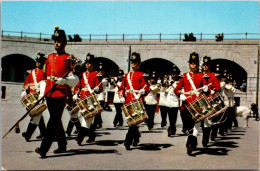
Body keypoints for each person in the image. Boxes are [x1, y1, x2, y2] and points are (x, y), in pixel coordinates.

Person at [35, 26, 80, 158]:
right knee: (56, 120)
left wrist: (65, 81)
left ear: (65, 42)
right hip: (49, 93)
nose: (56, 43)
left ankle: (44, 148)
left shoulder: (70, 58)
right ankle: (62, 145)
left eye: (59, 40)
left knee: (53, 121)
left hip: (61, 93)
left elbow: (77, 78)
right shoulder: (49, 57)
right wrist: (43, 91)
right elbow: (44, 76)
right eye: (55, 40)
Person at [174, 51, 208, 155]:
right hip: (186, 105)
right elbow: (176, 89)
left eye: (195, 63)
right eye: (191, 63)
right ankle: (192, 141)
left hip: (198, 105)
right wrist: (180, 94)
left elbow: (207, 90)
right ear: (189, 64)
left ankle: (190, 144)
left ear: (198, 64)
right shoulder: (184, 76)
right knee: (188, 126)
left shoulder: (203, 76)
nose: (193, 64)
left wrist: (206, 89)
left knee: (196, 125)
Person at [119, 52, 149, 150]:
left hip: (137, 99)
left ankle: (128, 141)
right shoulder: (126, 75)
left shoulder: (142, 75)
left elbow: (146, 87)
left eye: (135, 62)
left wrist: (143, 91)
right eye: (132, 62)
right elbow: (121, 88)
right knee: (132, 122)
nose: (133, 64)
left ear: (139, 63)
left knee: (133, 123)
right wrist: (121, 96)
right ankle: (136, 136)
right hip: (128, 100)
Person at [74, 52, 102, 145]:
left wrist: (97, 89)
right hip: (82, 98)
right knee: (83, 118)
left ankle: (79, 137)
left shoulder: (96, 74)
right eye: (86, 62)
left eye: (89, 63)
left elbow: (100, 88)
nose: (87, 64)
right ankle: (92, 135)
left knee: (87, 119)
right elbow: (78, 86)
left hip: (91, 99)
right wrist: (76, 93)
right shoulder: (82, 74)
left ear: (93, 64)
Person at [21, 52, 47, 141]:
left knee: (36, 115)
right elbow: (26, 83)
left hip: (40, 96)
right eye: (37, 61)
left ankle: (28, 135)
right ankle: (44, 133)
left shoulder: (45, 72)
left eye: (39, 61)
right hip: (31, 97)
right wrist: (24, 91)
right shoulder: (32, 72)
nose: (37, 63)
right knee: (38, 115)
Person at [201, 56, 221, 144]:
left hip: (210, 99)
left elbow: (218, 87)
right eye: (204, 65)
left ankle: (206, 137)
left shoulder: (213, 75)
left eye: (207, 65)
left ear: (209, 66)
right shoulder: (199, 75)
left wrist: (213, 90)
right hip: (201, 100)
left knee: (209, 120)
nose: (205, 66)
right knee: (201, 120)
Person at [165, 65, 180, 137]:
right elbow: (164, 91)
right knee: (170, 117)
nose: (174, 75)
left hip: (175, 102)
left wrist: (172, 83)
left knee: (174, 118)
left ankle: (171, 129)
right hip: (169, 102)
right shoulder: (169, 82)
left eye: (175, 74)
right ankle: (172, 129)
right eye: (173, 74)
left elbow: (177, 88)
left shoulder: (179, 81)